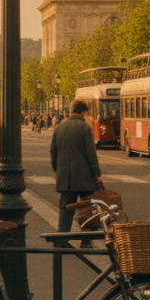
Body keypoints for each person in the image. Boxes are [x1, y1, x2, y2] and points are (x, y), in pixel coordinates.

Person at [50, 100, 103, 248]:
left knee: (65, 209)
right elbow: (91, 154)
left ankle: (62, 240)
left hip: (65, 177)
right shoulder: (85, 127)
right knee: (88, 209)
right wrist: (97, 174)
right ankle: (85, 241)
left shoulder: (59, 127)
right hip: (83, 177)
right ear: (83, 112)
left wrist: (57, 169)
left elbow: (53, 152)